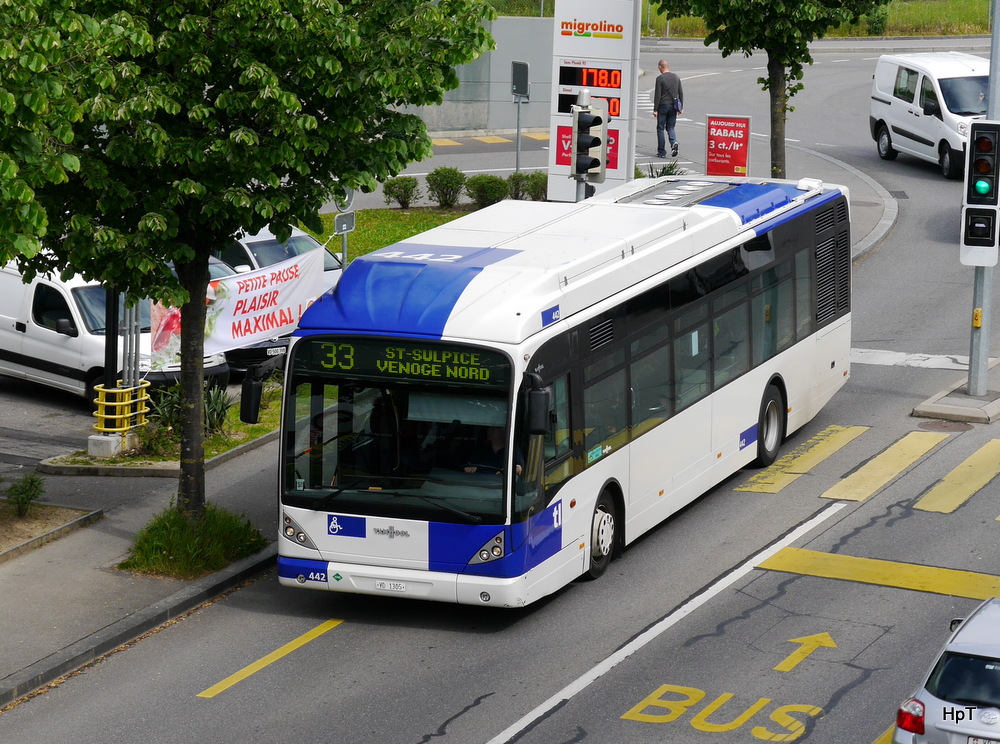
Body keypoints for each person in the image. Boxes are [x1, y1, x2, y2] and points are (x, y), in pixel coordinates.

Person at [653, 59, 683, 158]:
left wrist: (655, 109)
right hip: (673, 107)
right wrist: (680, 107)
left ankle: (661, 152)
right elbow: (681, 92)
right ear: (668, 66)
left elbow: (657, 95)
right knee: (670, 127)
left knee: (660, 128)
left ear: (660, 67)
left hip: (663, 106)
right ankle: (673, 142)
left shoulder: (659, 78)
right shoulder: (676, 77)